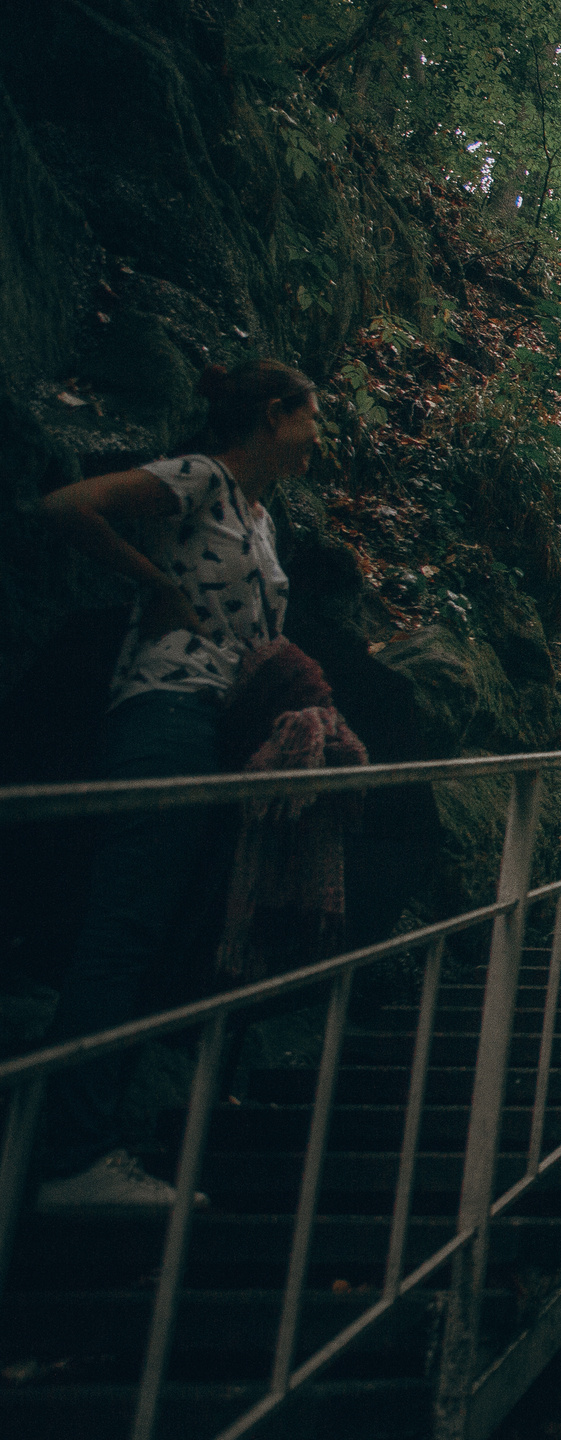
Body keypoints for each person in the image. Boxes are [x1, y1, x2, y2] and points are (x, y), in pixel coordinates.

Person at [30, 359, 320, 1214]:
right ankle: (72, 1157)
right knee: (124, 927)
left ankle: (88, 1135)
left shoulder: (259, 516)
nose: (320, 436)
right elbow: (67, 506)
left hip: (216, 727)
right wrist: (153, 584)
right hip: (165, 712)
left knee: (159, 928)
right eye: (312, 418)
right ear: (272, 416)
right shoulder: (199, 478)